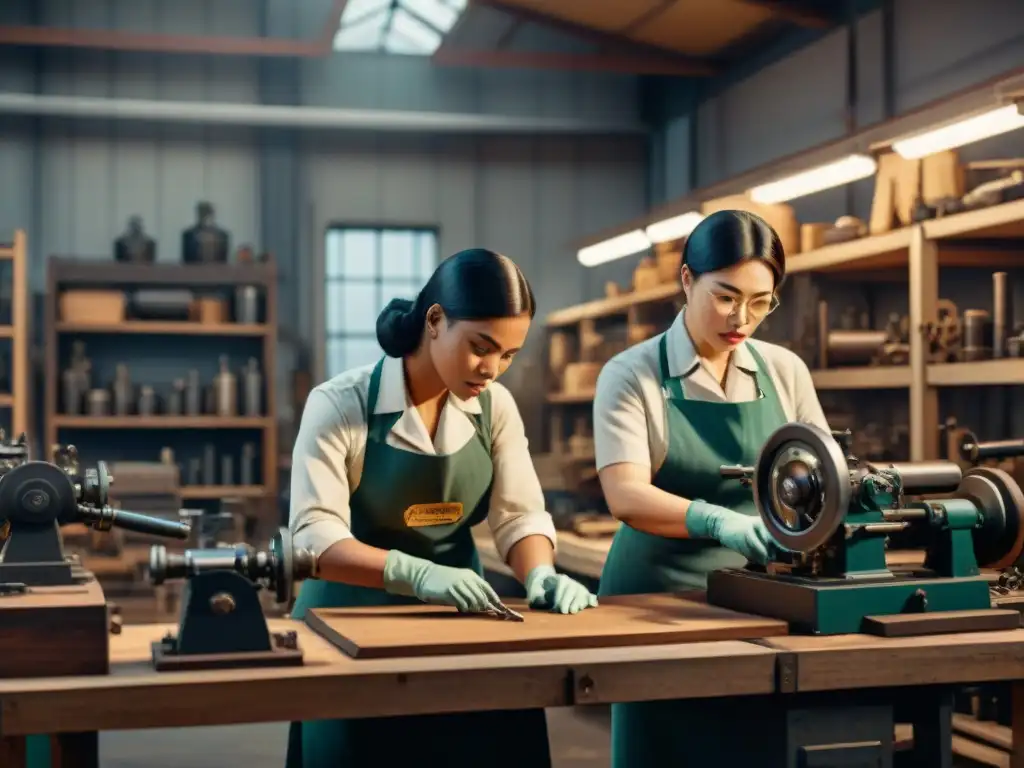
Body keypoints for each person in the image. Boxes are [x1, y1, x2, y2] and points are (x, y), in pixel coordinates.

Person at [285, 248, 598, 768]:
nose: (492, 369)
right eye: (481, 347)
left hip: (459, 622)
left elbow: (518, 515)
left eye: (510, 354)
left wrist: (540, 572)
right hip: (348, 624)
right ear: (435, 321)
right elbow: (313, 535)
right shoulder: (341, 404)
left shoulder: (493, 409)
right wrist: (416, 573)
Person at [593, 210, 830, 766]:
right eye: (725, 297)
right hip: (655, 601)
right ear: (686, 281)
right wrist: (720, 520)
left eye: (760, 301)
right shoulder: (632, 374)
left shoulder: (784, 371)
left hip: (760, 598)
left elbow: (822, 472)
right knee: (667, 747)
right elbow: (626, 494)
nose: (741, 318)